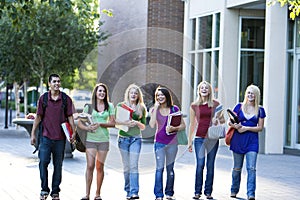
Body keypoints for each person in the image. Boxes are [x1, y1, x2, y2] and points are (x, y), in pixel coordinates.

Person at [30, 73, 76, 200]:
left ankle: (55, 191)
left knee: (58, 165)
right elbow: (38, 117)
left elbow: (70, 117)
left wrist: (73, 133)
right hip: (45, 138)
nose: (57, 84)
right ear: (49, 84)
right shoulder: (43, 99)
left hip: (60, 139)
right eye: (54, 81)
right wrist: (33, 134)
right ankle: (44, 189)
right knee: (43, 162)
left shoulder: (66, 99)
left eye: (58, 81)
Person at [187, 81, 225, 200]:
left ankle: (208, 192)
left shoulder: (216, 104)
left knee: (210, 165)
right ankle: (197, 192)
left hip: (212, 138)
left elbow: (222, 121)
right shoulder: (194, 105)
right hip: (199, 138)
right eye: (201, 88)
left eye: (206, 88)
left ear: (209, 91)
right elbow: (192, 124)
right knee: (200, 164)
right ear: (198, 90)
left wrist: (217, 119)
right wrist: (189, 141)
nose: (204, 89)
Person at [78, 83, 115, 200]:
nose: (102, 93)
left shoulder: (110, 106)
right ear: (96, 92)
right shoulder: (88, 106)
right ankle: (87, 194)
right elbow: (79, 123)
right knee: (90, 166)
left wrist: (100, 124)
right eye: (100, 91)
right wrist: (88, 128)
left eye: (104, 91)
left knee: (100, 167)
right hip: (91, 139)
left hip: (104, 140)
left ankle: (97, 194)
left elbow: (113, 123)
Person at [229, 84, 266, 200]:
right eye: (248, 93)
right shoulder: (239, 107)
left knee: (251, 168)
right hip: (238, 140)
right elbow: (230, 123)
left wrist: (246, 128)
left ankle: (251, 194)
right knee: (237, 168)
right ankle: (234, 190)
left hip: (252, 141)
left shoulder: (260, 110)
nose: (250, 95)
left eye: (253, 93)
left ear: (256, 96)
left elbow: (260, 128)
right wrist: (237, 126)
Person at [149, 86, 186, 200]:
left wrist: (174, 129)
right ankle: (158, 195)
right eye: (158, 95)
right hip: (159, 142)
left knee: (170, 168)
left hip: (172, 143)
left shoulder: (174, 109)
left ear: (166, 96)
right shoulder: (154, 109)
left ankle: (169, 193)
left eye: (162, 95)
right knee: (159, 168)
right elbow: (151, 124)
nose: (160, 97)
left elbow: (183, 125)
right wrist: (155, 108)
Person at [115, 84, 147, 200]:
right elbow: (116, 122)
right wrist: (126, 123)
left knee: (133, 165)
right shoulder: (121, 106)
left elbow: (143, 126)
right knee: (126, 166)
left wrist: (136, 123)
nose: (133, 95)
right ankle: (128, 190)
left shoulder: (141, 108)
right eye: (131, 93)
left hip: (136, 139)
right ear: (128, 94)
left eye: (136, 93)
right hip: (123, 139)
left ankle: (134, 192)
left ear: (138, 95)